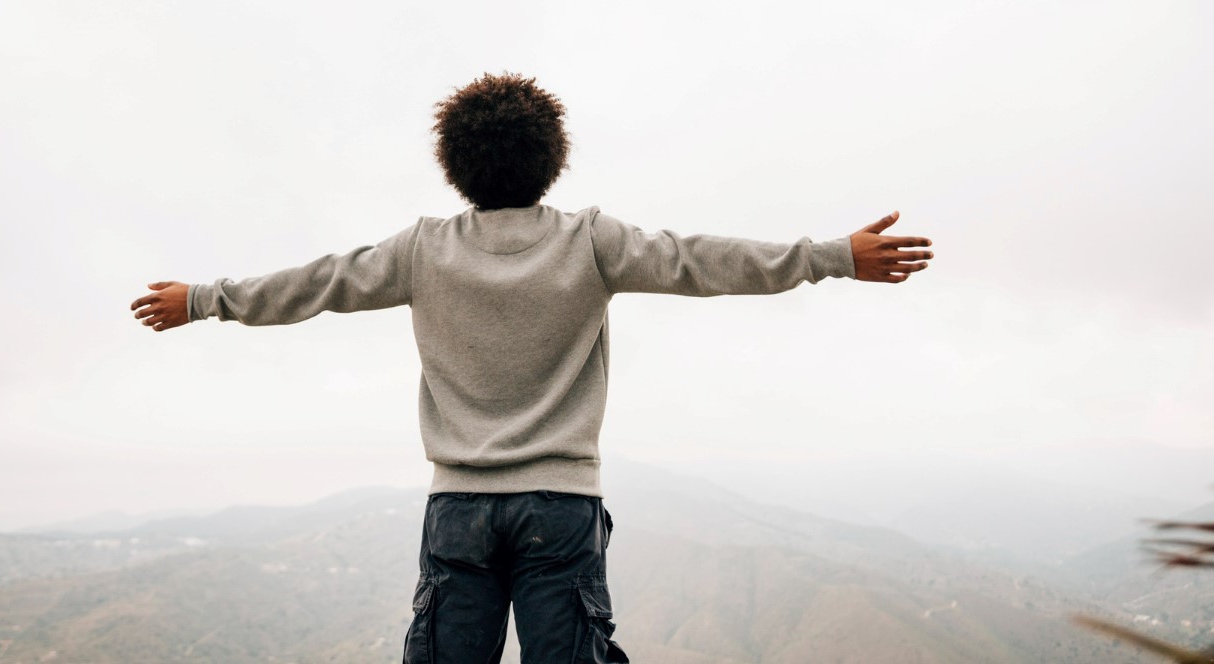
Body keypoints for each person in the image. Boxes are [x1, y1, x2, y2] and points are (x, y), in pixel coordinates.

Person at [130, 71, 934, 663]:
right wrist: (834, 256)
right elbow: (705, 262)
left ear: (456, 165)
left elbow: (315, 285)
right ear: (552, 159)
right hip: (561, 507)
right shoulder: (589, 240)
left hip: (459, 512)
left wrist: (202, 299)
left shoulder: (423, 250)